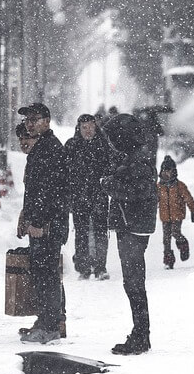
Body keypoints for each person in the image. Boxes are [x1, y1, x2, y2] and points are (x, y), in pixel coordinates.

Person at [100, 113, 158, 355]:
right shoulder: (134, 157)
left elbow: (138, 192)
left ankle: (141, 335)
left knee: (134, 283)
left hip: (134, 227)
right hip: (131, 225)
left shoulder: (139, 160)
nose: (111, 143)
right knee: (132, 283)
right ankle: (139, 333)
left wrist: (109, 184)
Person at [16, 103, 69, 345]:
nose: (29, 123)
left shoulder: (50, 149)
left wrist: (38, 221)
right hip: (42, 223)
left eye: (35, 119)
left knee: (46, 275)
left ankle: (50, 326)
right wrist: (26, 216)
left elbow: (50, 192)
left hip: (48, 226)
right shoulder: (42, 148)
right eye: (27, 119)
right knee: (42, 273)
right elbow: (35, 191)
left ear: (47, 120)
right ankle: (45, 321)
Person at [66, 113, 113, 280]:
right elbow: (65, 171)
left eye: (91, 127)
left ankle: (100, 266)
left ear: (96, 127)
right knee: (81, 232)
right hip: (79, 196)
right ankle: (83, 267)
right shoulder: (72, 146)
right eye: (84, 128)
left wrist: (106, 183)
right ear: (78, 128)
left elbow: (110, 167)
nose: (88, 131)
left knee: (101, 231)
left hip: (99, 195)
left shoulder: (103, 145)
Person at [156, 155, 194, 269]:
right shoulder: (159, 186)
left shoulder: (179, 186)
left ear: (174, 171)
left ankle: (183, 245)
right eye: (165, 171)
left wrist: (193, 211)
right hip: (165, 216)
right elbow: (155, 200)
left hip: (177, 215)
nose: (167, 173)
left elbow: (188, 199)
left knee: (175, 232)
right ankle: (168, 260)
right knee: (166, 239)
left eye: (170, 171)